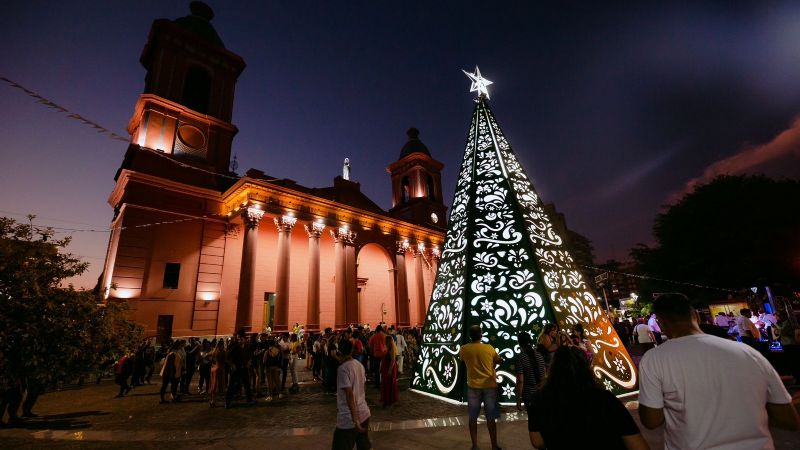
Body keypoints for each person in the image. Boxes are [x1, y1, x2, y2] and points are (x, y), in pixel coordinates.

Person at [639, 294, 799, 449]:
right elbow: (788, 420)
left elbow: (651, 421)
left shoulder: (654, 359)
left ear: (660, 323)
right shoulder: (748, 352)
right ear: (697, 316)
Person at [529, 346, 648, 449]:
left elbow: (537, 442)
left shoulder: (539, 400)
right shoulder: (604, 399)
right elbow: (635, 443)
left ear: (552, 368)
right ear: (586, 368)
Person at [459, 325, 501, 450]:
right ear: (481, 335)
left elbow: (462, 360)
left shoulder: (464, 349)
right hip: (489, 386)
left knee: (472, 418)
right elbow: (498, 360)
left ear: (470, 335)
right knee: (491, 418)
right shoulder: (489, 348)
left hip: (473, 387)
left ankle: (475, 445)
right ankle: (494, 445)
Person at [332, 338, 372, 450]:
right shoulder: (359, 365)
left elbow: (349, 395)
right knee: (364, 446)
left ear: (339, 352)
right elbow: (362, 388)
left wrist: (355, 420)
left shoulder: (343, 369)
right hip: (364, 413)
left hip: (348, 418)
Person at [514, 331, 545, 414]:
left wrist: (518, 399)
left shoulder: (520, 358)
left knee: (532, 420)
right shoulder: (539, 356)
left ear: (519, 343)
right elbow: (544, 374)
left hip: (529, 394)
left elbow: (520, 381)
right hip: (541, 392)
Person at [380, 334, 398, 408]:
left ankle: (389, 400)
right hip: (385, 368)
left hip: (389, 368)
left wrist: (390, 370)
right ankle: (386, 400)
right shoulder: (387, 348)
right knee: (385, 384)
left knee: (389, 384)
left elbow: (393, 360)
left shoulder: (391, 349)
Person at [208, 339, 225, 407]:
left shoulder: (214, 351)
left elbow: (206, 356)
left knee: (213, 385)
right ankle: (213, 401)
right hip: (219, 368)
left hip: (213, 368)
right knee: (216, 385)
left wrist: (211, 362)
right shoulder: (222, 352)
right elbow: (225, 360)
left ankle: (212, 400)